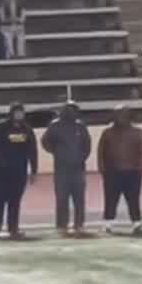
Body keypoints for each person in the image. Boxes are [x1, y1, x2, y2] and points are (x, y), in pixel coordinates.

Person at [39, 100, 92, 237]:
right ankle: (62, 226)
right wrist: (56, 152)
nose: (71, 112)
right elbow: (45, 142)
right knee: (62, 198)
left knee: (79, 199)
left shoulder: (80, 126)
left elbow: (87, 144)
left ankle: (79, 225)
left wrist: (82, 157)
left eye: (74, 110)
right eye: (69, 109)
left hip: (78, 169)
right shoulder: (55, 125)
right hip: (61, 169)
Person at [0, 102, 38, 239]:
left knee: (15, 201)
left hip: (18, 172)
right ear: (11, 113)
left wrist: (34, 170)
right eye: (17, 112)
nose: (19, 114)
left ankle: (13, 228)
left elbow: (33, 150)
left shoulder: (27, 130)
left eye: (21, 112)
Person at [96, 105, 142, 235]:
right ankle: (107, 224)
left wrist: (141, 167)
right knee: (110, 199)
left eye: (122, 114)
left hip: (133, 172)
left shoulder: (138, 132)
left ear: (128, 116)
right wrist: (102, 168)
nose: (119, 117)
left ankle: (137, 224)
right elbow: (100, 151)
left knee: (133, 199)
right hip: (112, 172)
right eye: (117, 114)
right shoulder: (107, 132)